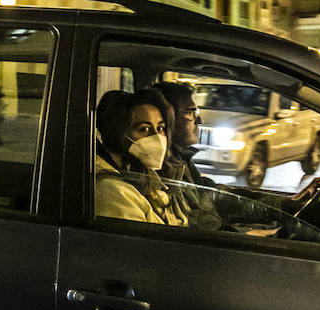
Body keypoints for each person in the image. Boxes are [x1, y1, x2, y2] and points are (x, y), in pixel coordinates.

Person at [93, 88, 188, 226]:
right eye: (144, 129)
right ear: (118, 132)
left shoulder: (138, 174)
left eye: (160, 128)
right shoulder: (113, 191)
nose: (157, 137)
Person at [151, 80, 224, 230]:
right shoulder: (163, 168)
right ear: (168, 118)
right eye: (190, 113)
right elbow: (194, 226)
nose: (199, 120)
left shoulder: (180, 159)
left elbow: (210, 192)